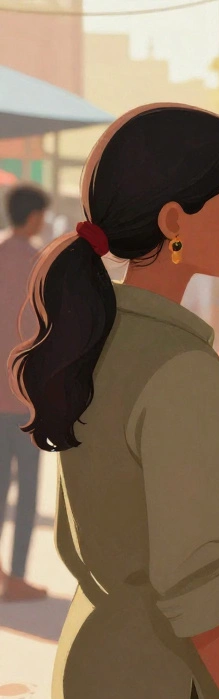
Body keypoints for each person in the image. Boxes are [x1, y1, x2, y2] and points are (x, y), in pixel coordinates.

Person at [6, 104, 219, 699]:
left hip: (99, 668)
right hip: (167, 686)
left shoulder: (100, 337)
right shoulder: (181, 368)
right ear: (173, 221)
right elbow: (198, 586)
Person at [0, 183, 48, 602]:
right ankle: (15, 576)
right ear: (34, 217)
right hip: (27, 399)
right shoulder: (39, 262)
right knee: (28, 489)